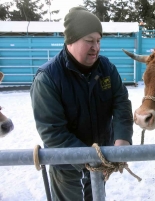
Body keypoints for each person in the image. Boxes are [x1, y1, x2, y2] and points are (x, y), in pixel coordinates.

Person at [30, 7, 133, 201]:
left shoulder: (107, 69)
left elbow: (121, 104)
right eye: (89, 41)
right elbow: (53, 132)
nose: (96, 47)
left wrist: (122, 139)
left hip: (100, 159)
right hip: (67, 166)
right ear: (71, 40)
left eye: (98, 41)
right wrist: (90, 158)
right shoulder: (47, 79)